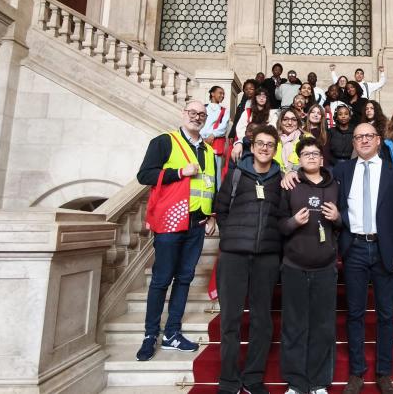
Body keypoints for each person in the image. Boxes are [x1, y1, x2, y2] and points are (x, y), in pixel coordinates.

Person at [284, 123, 393, 394]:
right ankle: (357, 372)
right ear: (352, 143)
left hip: (385, 250)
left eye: (369, 136)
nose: (364, 140)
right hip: (353, 248)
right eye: (358, 137)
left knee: (386, 315)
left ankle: (384, 373)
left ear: (378, 141)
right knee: (354, 314)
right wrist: (290, 172)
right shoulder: (341, 171)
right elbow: (312, 172)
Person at [135, 101, 217, 361]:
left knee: (184, 278)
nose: (197, 117)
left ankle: (172, 333)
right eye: (193, 113)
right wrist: (180, 171)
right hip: (172, 220)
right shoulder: (165, 141)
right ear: (184, 114)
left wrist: (211, 214)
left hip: (197, 223)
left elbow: (209, 185)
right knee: (161, 280)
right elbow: (145, 175)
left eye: (202, 115)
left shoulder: (208, 149)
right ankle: (150, 334)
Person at [213, 124, 284, 394]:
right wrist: (231, 236)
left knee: (261, 320)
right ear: (252, 147)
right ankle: (229, 380)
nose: (265, 148)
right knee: (230, 319)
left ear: (274, 149)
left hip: (266, 257)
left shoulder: (282, 179)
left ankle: (253, 377)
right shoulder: (236, 174)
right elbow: (221, 209)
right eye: (260, 143)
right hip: (234, 256)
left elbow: (282, 216)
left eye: (270, 144)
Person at [277, 136, 341, 394]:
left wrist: (337, 218)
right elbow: (278, 223)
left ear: (322, 158)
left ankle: (318, 382)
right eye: (306, 154)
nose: (312, 157)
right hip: (294, 265)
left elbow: (345, 221)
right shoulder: (290, 184)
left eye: (315, 153)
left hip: (325, 267)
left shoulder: (335, 184)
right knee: (293, 325)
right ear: (299, 160)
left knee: (323, 326)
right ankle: (295, 383)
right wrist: (293, 222)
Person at [232, 88, 275, 158]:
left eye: (264, 96)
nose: (261, 98)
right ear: (255, 98)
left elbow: (273, 130)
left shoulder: (272, 114)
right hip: (248, 143)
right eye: (259, 96)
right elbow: (240, 129)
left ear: (267, 99)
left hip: (265, 144)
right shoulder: (247, 112)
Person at [201, 85, 230, 189]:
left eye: (223, 94)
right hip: (202, 141)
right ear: (212, 93)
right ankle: (205, 189)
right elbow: (200, 123)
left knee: (216, 169)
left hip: (216, 142)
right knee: (203, 167)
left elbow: (224, 127)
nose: (222, 95)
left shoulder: (224, 110)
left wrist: (212, 135)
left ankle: (216, 193)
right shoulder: (203, 107)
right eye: (220, 93)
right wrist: (203, 137)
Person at [275, 108, 305, 172]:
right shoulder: (274, 140)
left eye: (293, 120)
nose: (289, 123)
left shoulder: (306, 139)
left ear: (298, 122)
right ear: (280, 122)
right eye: (285, 119)